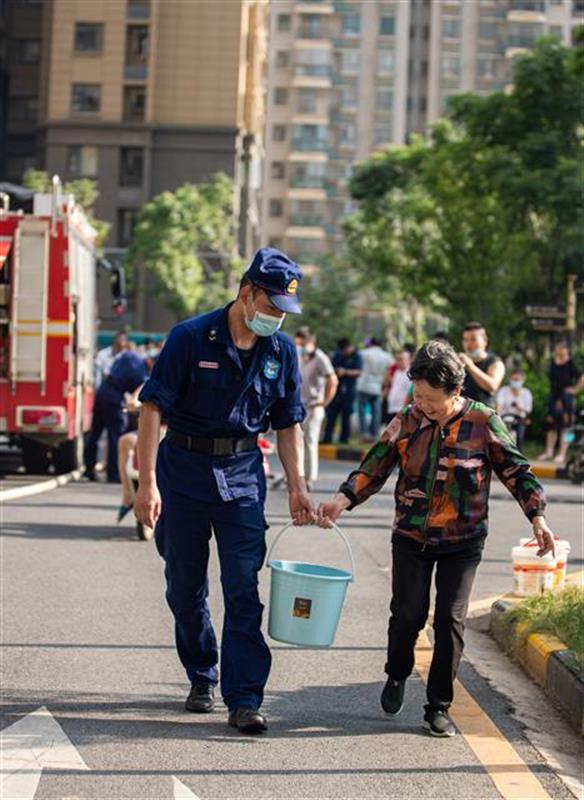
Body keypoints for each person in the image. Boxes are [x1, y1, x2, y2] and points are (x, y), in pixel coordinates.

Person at [316, 340, 554, 738]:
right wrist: (344, 498)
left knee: (450, 620)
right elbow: (376, 463)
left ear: (456, 392)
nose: (421, 404)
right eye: (417, 395)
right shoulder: (407, 420)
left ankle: (438, 705)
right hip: (411, 535)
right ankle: (397, 673)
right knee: (407, 615)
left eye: (430, 398)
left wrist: (538, 516)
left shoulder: (483, 422)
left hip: (463, 540)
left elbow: (517, 471)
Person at [134, 248, 314, 735]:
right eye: (271, 306)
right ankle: (201, 673)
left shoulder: (281, 352)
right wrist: (146, 483)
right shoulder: (190, 338)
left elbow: (288, 424)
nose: (276, 317)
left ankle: (244, 697)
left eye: (283, 311)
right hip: (184, 473)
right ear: (245, 293)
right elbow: (152, 409)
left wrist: (297, 486)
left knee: (242, 588)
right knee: (184, 587)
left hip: (241, 478)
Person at [84, 349, 152, 482]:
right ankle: (114, 474)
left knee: (95, 433)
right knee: (116, 437)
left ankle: (88, 468)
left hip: (102, 391)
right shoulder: (142, 373)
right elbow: (137, 396)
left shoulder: (131, 355)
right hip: (114, 398)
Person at [295, 327, 338, 486]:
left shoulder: (320, 357)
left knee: (310, 442)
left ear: (310, 342)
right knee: (296, 442)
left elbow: (332, 380)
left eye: (302, 343)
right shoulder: (300, 356)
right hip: (300, 405)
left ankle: (309, 479)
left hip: (314, 406)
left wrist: (325, 401)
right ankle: (296, 476)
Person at [538, 340, 584, 464]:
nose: (557, 350)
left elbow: (582, 377)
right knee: (552, 424)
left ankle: (563, 453)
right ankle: (549, 451)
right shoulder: (553, 362)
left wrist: (575, 390)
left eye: (560, 348)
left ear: (566, 349)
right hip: (554, 396)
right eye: (556, 348)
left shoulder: (571, 362)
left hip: (567, 397)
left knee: (567, 426)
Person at [322, 338, 362, 445]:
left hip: (349, 390)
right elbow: (330, 368)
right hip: (337, 390)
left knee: (346, 416)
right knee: (331, 415)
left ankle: (344, 438)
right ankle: (327, 437)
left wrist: (345, 372)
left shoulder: (357, 356)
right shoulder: (338, 355)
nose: (344, 353)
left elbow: (359, 372)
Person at [459, 322, 505, 409]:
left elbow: (492, 385)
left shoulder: (495, 362)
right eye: (465, 340)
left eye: (473, 339)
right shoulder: (459, 361)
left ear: (485, 341)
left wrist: (471, 367)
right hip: (460, 413)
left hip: (483, 415)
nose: (468, 344)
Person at [357, 337, 393, 441]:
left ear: (371, 343)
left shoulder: (363, 353)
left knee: (362, 410)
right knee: (376, 412)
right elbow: (390, 371)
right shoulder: (387, 356)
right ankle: (374, 433)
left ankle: (364, 433)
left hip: (363, 384)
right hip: (378, 386)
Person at [496, 369, 533, 450]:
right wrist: (497, 419)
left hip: (520, 418)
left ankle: (519, 455)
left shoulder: (527, 393)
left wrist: (520, 407)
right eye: (513, 379)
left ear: (523, 380)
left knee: (520, 436)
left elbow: (528, 410)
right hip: (505, 417)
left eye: (517, 379)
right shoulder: (503, 391)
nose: (515, 381)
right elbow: (499, 406)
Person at [382, 348, 411, 425]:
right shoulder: (396, 373)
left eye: (401, 359)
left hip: (402, 409)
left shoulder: (410, 374)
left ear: (408, 360)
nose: (398, 362)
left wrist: (405, 408)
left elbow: (411, 393)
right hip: (392, 407)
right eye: (397, 359)